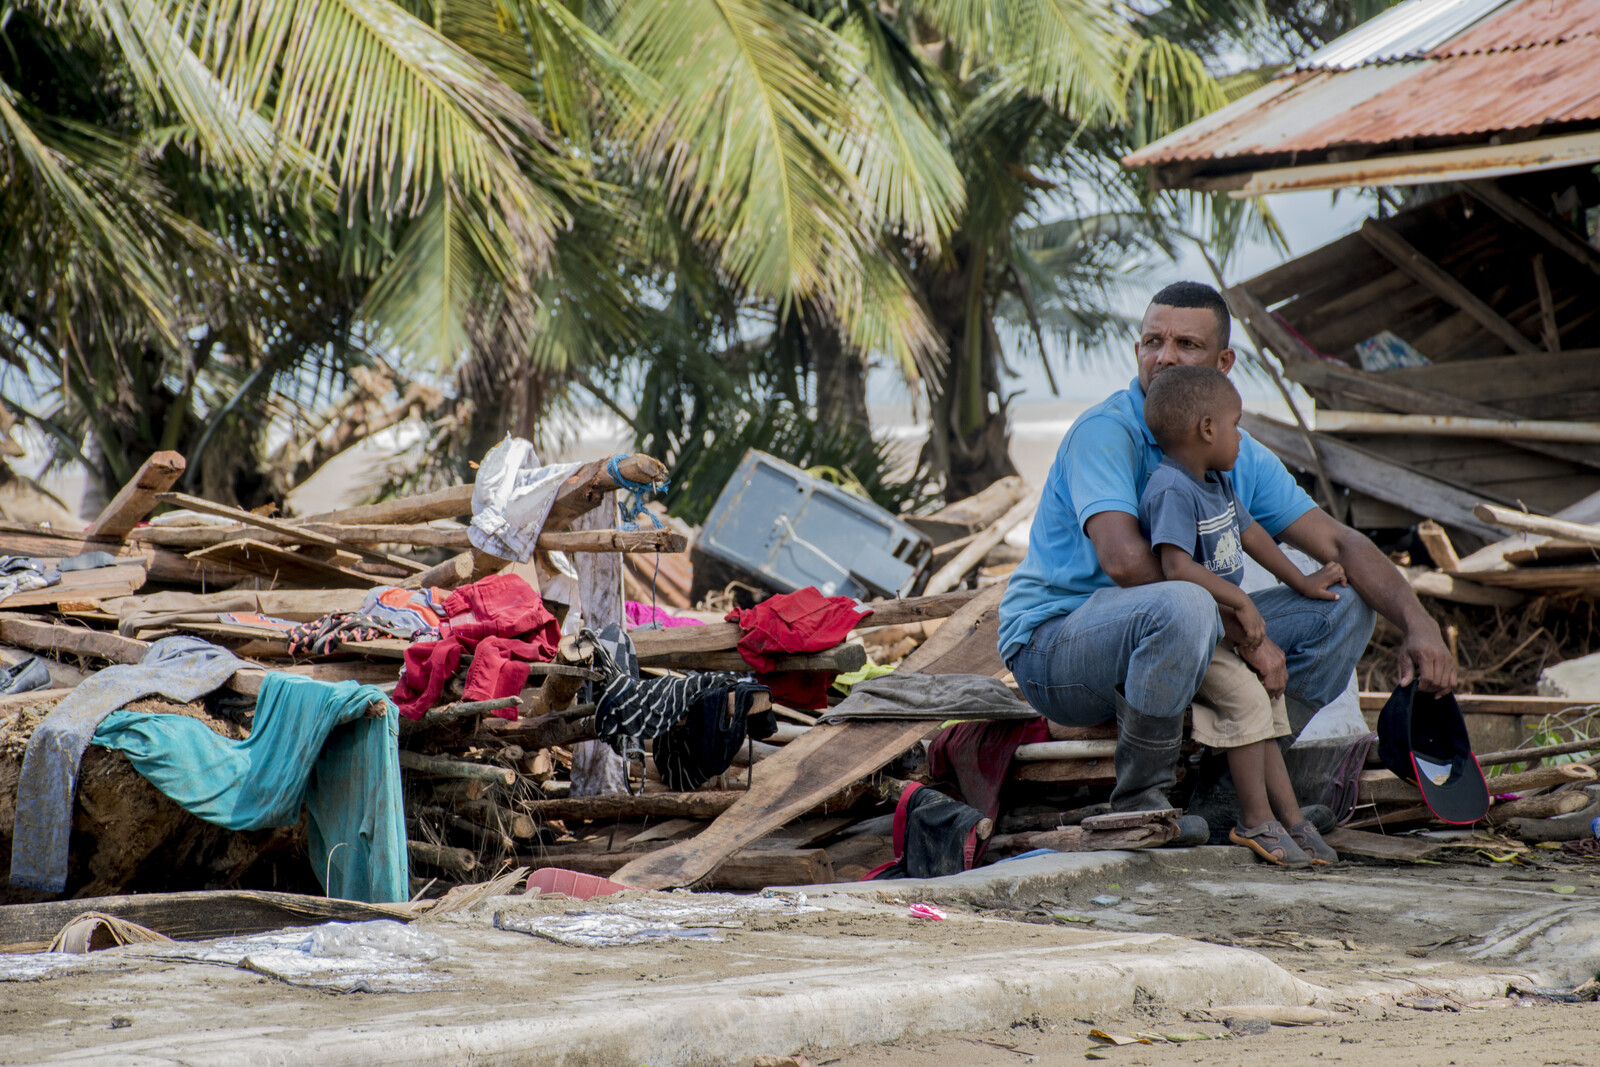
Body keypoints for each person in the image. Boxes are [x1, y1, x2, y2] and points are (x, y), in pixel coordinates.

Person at [997, 280, 1456, 828]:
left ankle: (1229, 802)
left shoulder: (1231, 447)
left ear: (1223, 361)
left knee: (1343, 604)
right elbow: (1123, 562)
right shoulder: (1106, 432)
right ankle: (1142, 804)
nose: (1164, 357)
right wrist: (1241, 628)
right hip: (1057, 650)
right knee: (1183, 603)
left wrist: (1418, 623)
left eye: (1186, 345)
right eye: (1151, 341)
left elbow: (1340, 543)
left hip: (1178, 637)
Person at [1139, 365, 1344, 865]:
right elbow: (1174, 565)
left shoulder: (1218, 480)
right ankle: (1253, 821)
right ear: (1207, 429)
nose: (1240, 436)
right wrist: (1241, 602)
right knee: (1250, 703)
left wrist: (1300, 580)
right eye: (1235, 424)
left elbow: (1251, 535)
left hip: (1227, 628)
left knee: (1271, 708)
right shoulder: (1171, 488)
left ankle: (1291, 819)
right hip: (1196, 635)